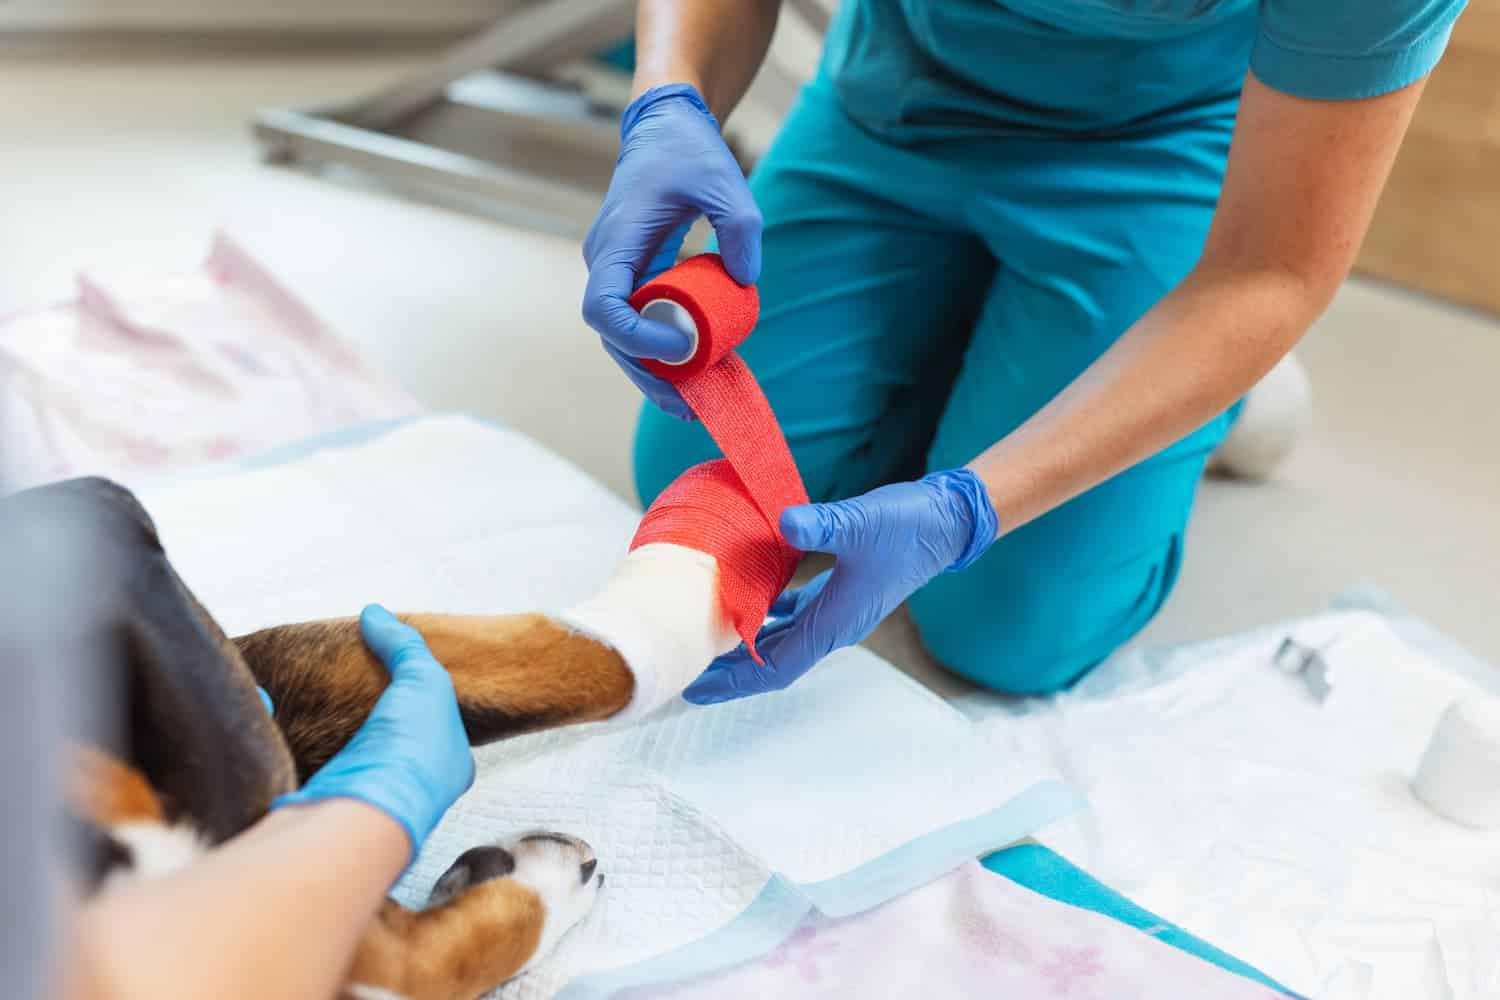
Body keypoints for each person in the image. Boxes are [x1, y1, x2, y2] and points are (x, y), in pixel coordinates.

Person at [581, 0, 1463, 702]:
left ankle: (1205, 368)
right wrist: (670, 98)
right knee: (699, 477)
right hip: (900, 98)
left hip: (1163, 149)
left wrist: (971, 507)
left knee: (1009, 628)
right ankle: (996, 338)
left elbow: (1270, 266)